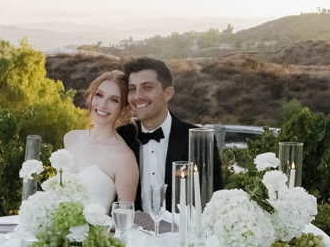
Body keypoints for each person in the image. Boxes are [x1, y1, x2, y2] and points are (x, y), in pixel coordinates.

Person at [118, 57, 223, 212]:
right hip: (132, 233)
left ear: (167, 93)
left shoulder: (198, 139)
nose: (137, 96)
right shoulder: (120, 137)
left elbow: (213, 199)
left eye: (147, 87)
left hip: (181, 233)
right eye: (132, 89)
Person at [63, 70, 139, 211]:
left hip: (95, 232)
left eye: (114, 100)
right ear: (91, 96)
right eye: (99, 95)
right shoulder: (71, 139)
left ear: (123, 109)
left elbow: (125, 218)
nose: (103, 105)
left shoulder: (124, 158)